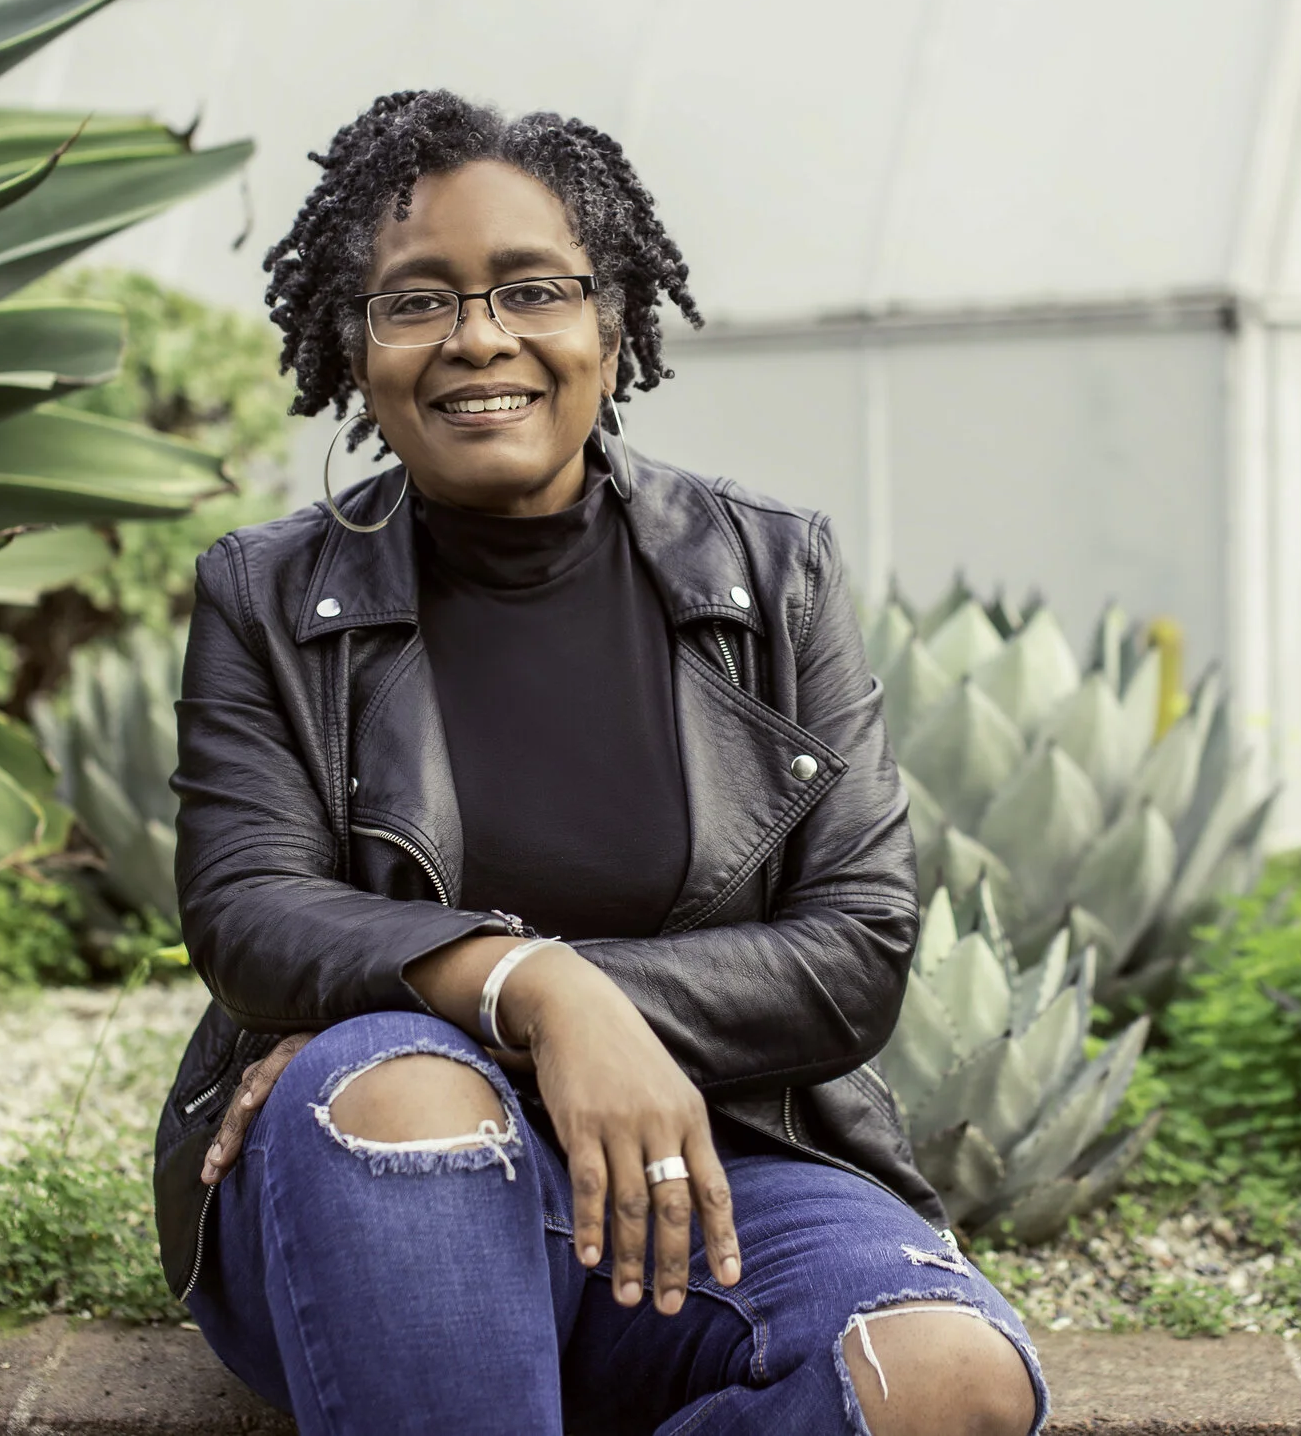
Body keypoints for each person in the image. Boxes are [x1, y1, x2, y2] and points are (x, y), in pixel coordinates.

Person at [152, 90, 1046, 1435]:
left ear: (611, 330)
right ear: (355, 344)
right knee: (403, 1092)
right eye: (417, 301)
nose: (478, 337)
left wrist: (580, 1014)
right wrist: (533, 990)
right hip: (376, 1187)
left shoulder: (772, 573)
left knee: (945, 1382)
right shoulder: (267, 595)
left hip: (717, 1165)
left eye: (532, 289)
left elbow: (855, 947)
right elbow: (250, 911)